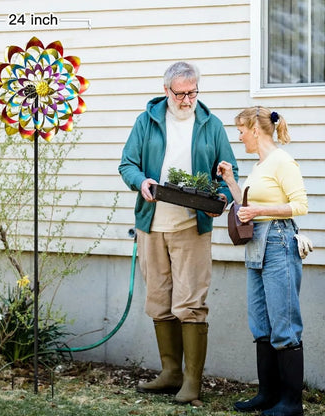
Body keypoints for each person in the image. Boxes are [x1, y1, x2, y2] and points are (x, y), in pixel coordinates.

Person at [118, 61, 238, 404]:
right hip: (152, 225)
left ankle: (191, 383)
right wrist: (141, 182)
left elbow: (229, 171)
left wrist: (221, 198)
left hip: (191, 225)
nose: (187, 100)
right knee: (158, 300)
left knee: (191, 302)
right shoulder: (148, 121)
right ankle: (170, 373)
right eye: (181, 93)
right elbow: (127, 164)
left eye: (193, 92)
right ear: (166, 91)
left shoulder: (210, 124)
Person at [217, 106, 308, 416]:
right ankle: (267, 396)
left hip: (279, 242)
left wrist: (256, 211)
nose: (239, 136)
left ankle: (291, 403)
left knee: (284, 324)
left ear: (255, 130)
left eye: (242, 130)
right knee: (261, 325)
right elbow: (247, 203)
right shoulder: (259, 166)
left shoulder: (283, 162)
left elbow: (300, 205)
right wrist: (231, 181)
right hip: (256, 245)